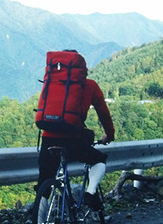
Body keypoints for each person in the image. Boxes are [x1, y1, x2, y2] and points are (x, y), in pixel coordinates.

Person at [36, 62, 115, 211]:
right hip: (72, 139)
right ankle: (90, 193)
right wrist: (109, 135)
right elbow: (103, 113)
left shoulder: (52, 84)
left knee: (44, 184)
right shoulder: (90, 85)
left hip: (48, 138)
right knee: (99, 160)